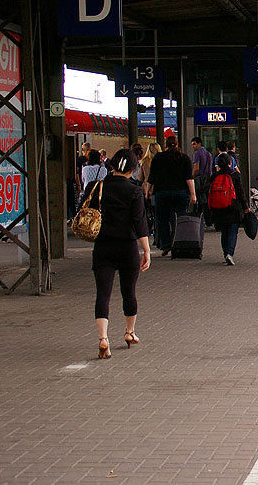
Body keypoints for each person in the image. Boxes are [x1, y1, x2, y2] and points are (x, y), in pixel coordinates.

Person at [84, 148, 151, 360]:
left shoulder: (97, 186)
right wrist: (147, 250)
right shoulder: (134, 191)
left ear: (111, 165)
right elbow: (139, 222)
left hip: (102, 247)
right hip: (127, 247)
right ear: (133, 169)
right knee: (128, 292)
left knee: (102, 293)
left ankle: (103, 338)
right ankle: (129, 333)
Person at [146, 135, 196, 257]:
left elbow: (151, 177)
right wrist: (193, 194)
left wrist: (148, 191)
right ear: (177, 145)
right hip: (181, 193)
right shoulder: (184, 158)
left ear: (166, 146)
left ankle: (166, 244)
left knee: (162, 219)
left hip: (162, 193)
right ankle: (177, 244)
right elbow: (189, 178)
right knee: (178, 220)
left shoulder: (158, 158)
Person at [208, 153, 249, 266]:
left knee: (224, 232)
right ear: (230, 163)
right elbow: (240, 193)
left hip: (218, 208)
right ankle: (229, 254)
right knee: (232, 231)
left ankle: (225, 252)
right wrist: (245, 207)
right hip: (233, 207)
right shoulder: (234, 175)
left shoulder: (214, 176)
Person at [190, 137, 213, 216]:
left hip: (199, 178)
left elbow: (196, 168)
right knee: (206, 198)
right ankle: (208, 217)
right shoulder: (208, 153)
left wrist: (192, 177)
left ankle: (198, 215)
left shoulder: (197, 153)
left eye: (194, 144)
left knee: (199, 198)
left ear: (199, 143)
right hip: (207, 178)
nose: (193, 146)